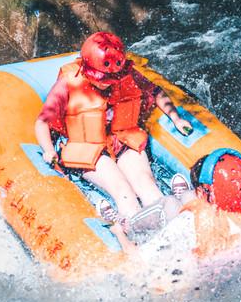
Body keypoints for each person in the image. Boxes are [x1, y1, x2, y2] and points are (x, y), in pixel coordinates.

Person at [34, 32, 192, 238]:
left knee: (146, 183)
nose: (110, 82)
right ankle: (138, 235)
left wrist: (176, 118)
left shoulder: (126, 74)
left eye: (113, 78)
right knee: (123, 190)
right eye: (104, 79)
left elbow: (156, 92)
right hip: (87, 147)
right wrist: (48, 150)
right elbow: (42, 121)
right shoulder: (68, 82)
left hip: (122, 139)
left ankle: (177, 226)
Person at [172, 149, 241, 258]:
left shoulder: (193, 221)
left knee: (171, 203)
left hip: (202, 264)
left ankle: (183, 196)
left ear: (200, 192)